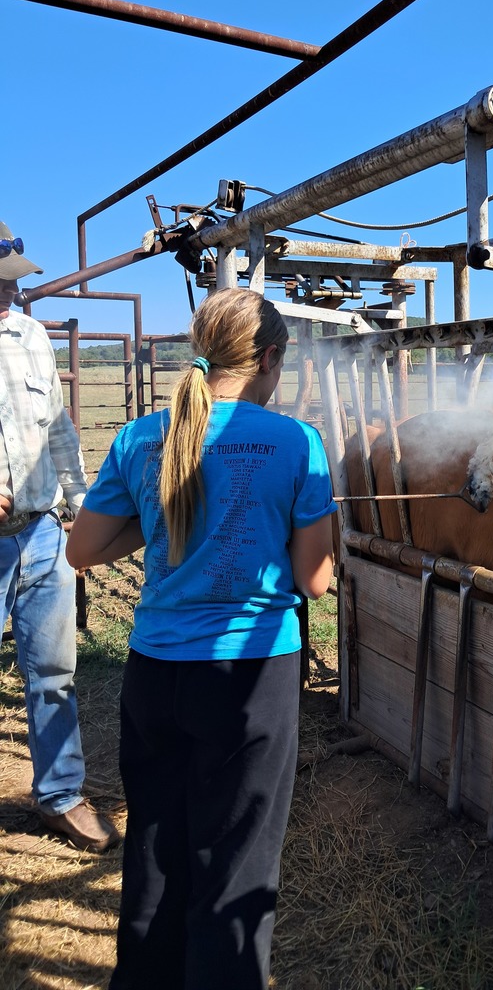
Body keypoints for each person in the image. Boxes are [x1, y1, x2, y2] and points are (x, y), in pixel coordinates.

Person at [66, 286, 336, 990]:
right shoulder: (296, 443)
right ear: (270, 357)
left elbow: (83, 551)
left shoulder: (139, 437)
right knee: (235, 869)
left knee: (155, 853)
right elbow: (315, 581)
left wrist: (162, 527)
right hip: (249, 680)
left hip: (154, 673)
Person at [0, 219, 120, 854]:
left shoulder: (30, 337)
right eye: (1, 286)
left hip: (41, 531)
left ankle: (60, 795)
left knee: (53, 670)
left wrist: (82, 507)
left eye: (13, 287)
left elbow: (58, 428)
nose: (10, 298)